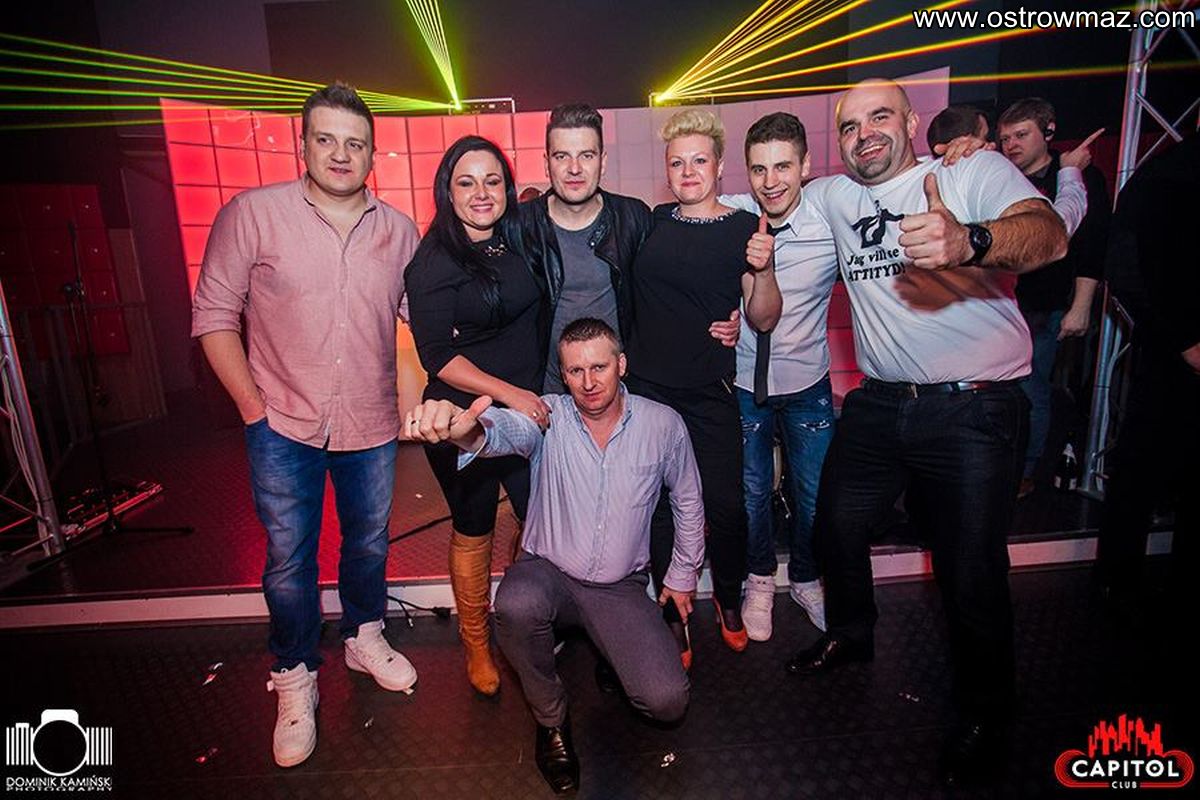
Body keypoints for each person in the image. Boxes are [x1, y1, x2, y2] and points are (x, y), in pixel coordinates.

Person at [790, 78, 1068, 787]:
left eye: (880, 117)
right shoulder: (834, 196)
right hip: (881, 404)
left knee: (970, 569)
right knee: (834, 524)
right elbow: (763, 198)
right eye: (850, 126)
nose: (864, 134)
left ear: (912, 123)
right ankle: (852, 634)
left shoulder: (967, 171)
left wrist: (971, 240)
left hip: (972, 407)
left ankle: (986, 710)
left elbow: (1048, 234)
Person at [191, 82, 420, 768]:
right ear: (304, 145)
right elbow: (213, 316)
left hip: (371, 422)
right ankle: (294, 673)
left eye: (355, 143)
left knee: (368, 544)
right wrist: (252, 409)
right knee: (290, 559)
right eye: (326, 139)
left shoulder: (399, 231)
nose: (341, 154)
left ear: (373, 154)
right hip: (282, 422)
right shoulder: (253, 215)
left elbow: (423, 323)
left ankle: (364, 635)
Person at [400, 318, 703, 795]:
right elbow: (498, 432)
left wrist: (683, 574)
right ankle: (551, 720)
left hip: (619, 586)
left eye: (599, 367)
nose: (589, 382)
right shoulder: (549, 415)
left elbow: (688, 499)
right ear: (563, 375)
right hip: (549, 572)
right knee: (516, 604)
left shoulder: (662, 424)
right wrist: (462, 428)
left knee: (667, 701)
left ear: (622, 365)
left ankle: (610, 649)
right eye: (575, 371)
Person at [625, 108, 782, 658]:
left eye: (699, 161)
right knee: (659, 508)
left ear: (718, 167)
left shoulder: (746, 228)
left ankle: (728, 598)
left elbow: (764, 317)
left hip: (710, 390)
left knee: (726, 505)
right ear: (667, 170)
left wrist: (764, 271)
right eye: (677, 163)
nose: (688, 172)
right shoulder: (651, 222)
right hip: (648, 390)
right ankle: (673, 614)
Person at [404, 135, 546, 697]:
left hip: (527, 411)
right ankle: (477, 643)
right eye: (466, 182)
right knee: (475, 523)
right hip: (462, 417)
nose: (481, 193)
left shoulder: (519, 238)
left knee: (539, 521)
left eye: (492, 181)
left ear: (508, 188)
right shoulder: (433, 260)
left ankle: (525, 620)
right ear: (448, 190)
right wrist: (511, 394)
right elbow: (438, 355)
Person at [509, 102, 740, 396]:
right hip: (545, 395)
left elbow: (674, 278)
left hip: (625, 392)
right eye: (561, 156)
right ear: (546, 163)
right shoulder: (519, 226)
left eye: (587, 155)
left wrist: (729, 315)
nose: (574, 168)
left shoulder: (633, 218)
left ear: (603, 162)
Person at [717, 112, 838, 641]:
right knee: (751, 495)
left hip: (808, 384)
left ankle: (807, 578)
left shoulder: (830, 217)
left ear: (806, 165)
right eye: (759, 169)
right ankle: (760, 580)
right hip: (745, 385)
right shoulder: (734, 217)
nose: (770, 181)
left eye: (783, 166)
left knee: (814, 496)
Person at [1097, 133, 1199, 613]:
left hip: (1174, 345)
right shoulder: (1169, 174)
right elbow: (1124, 264)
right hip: (1172, 354)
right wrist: (1184, 340)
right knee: (1142, 466)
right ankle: (1116, 586)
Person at [998, 98, 1110, 497]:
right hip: (1001, 304)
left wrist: (1081, 306)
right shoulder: (1001, 178)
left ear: (1048, 132)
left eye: (1021, 135)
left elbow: (1092, 245)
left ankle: (1025, 473)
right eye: (1005, 138)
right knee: (1000, 393)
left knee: (1031, 389)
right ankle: (1000, 468)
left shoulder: (1076, 175)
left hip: (1045, 305)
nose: (1011, 145)